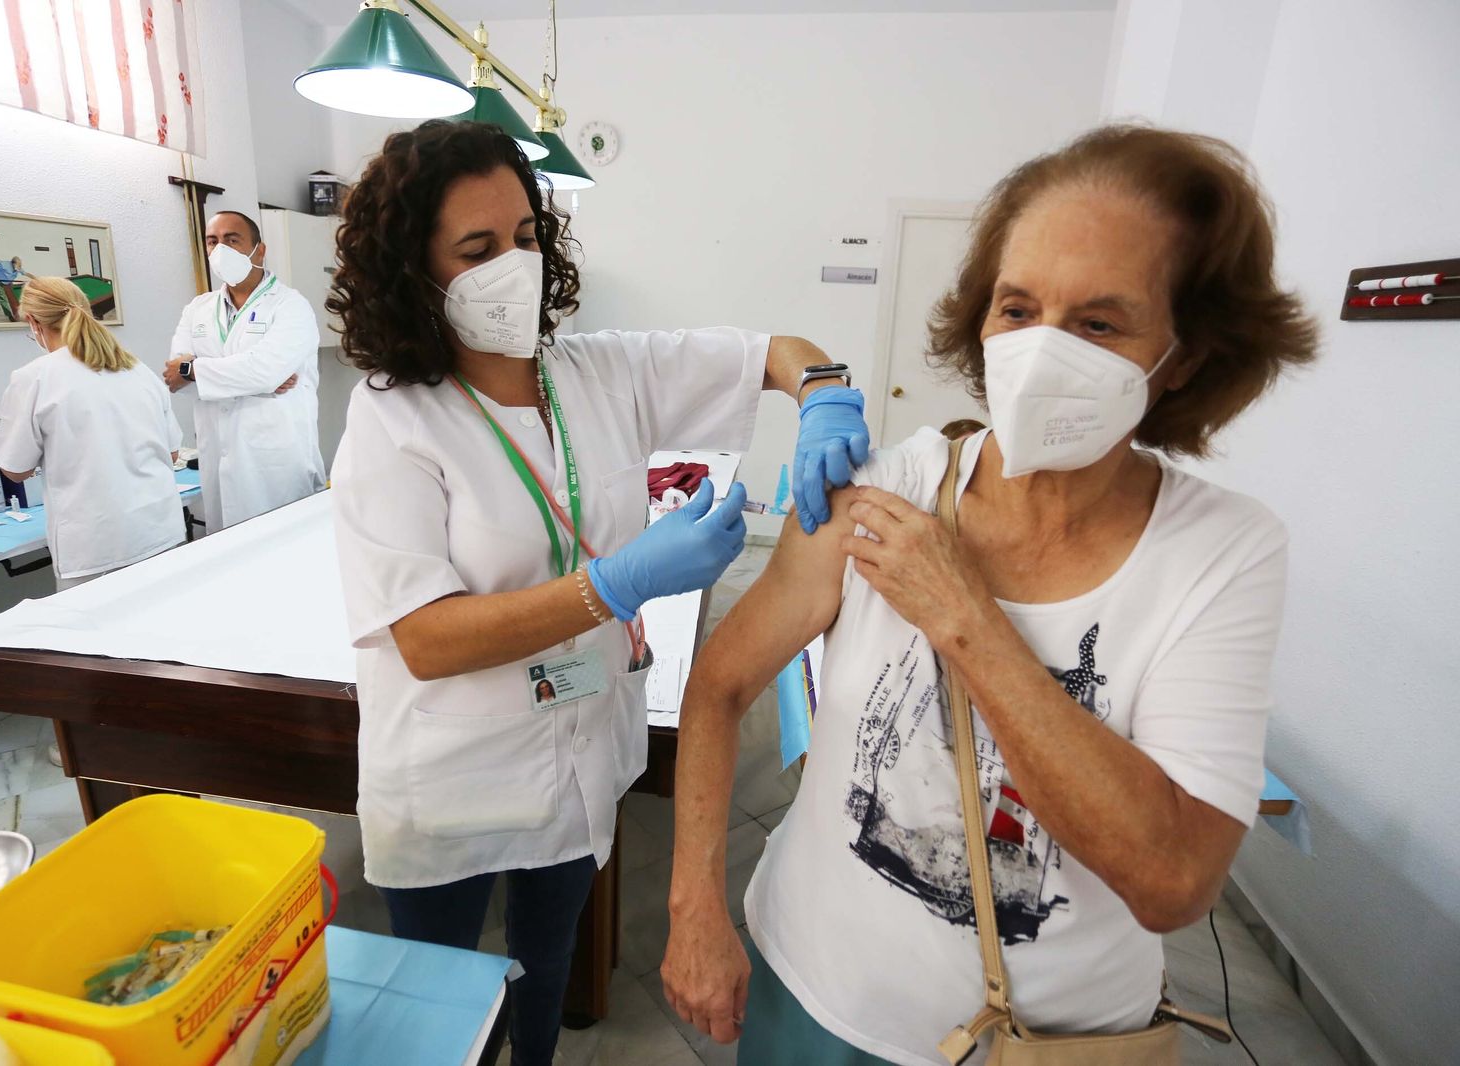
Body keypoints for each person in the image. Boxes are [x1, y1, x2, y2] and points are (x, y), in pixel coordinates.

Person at [661, 124, 1318, 1064]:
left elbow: (1171, 881)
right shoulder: (882, 486)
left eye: (1099, 323)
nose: (1042, 352)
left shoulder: (1221, 552)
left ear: (1191, 355)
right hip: (814, 1001)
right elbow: (721, 683)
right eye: (1018, 308)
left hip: (1048, 1041)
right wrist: (693, 910)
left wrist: (963, 614)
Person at [328, 120, 871, 1066]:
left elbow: (775, 351)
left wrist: (822, 388)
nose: (516, 265)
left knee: (547, 966)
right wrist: (617, 582)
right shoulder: (392, 419)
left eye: (527, 237)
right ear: (413, 269)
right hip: (453, 772)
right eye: (478, 249)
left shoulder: (596, 373)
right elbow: (425, 639)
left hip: (578, 753)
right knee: (433, 1004)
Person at [0, 275, 184, 593]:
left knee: (97, 639)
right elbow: (173, 453)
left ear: (33, 322)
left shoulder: (34, 378)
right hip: (159, 531)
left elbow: (16, 469)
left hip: (95, 546)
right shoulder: (137, 369)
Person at [164, 210, 325, 532]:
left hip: (275, 464)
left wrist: (196, 369)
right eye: (213, 241)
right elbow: (174, 376)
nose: (220, 249)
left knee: (285, 555)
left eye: (232, 240)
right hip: (217, 460)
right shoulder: (197, 309)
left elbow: (263, 371)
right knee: (227, 561)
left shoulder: (291, 306)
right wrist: (254, 380)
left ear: (259, 250)